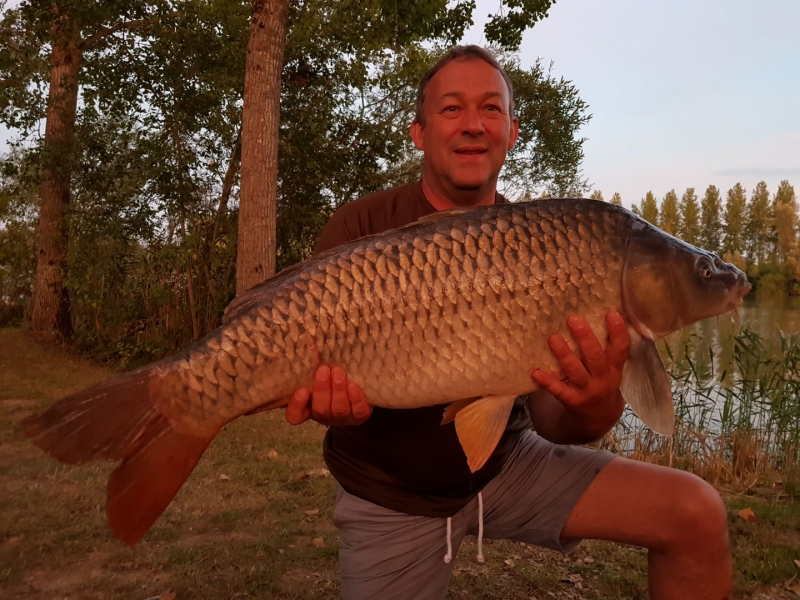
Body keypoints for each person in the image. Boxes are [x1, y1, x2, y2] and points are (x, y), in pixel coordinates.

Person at [285, 46, 732, 600]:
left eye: (491, 108)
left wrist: (593, 404)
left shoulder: (547, 245)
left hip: (508, 466)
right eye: (452, 109)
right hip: (390, 494)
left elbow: (550, 416)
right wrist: (335, 411)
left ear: (512, 131)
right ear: (418, 133)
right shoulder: (360, 229)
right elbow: (315, 381)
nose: (473, 123)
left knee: (695, 512)